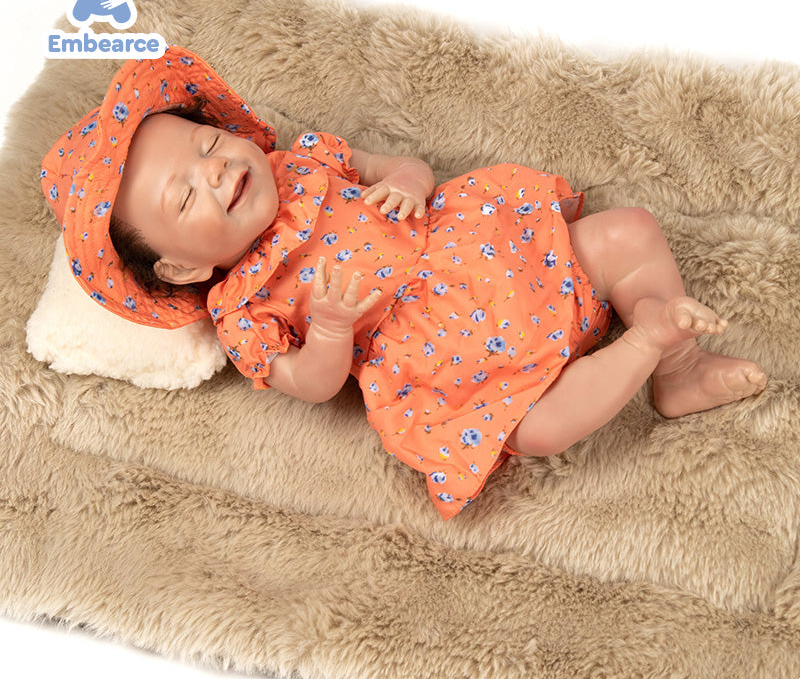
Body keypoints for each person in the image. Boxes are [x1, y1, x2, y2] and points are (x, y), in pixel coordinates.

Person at [41, 46, 767, 519]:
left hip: (503, 257)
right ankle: (645, 345)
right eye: (185, 198)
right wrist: (331, 330)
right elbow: (308, 384)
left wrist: (413, 183)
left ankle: (681, 368)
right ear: (183, 269)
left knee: (629, 232)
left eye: (208, 143)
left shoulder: (304, 163)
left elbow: (392, 166)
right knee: (536, 428)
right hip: (447, 355)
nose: (216, 171)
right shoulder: (242, 308)